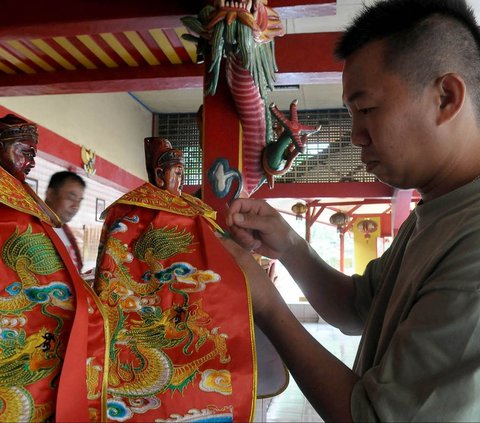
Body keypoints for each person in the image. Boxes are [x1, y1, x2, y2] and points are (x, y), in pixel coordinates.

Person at [220, 0, 480, 421]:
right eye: (351, 113)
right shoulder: (433, 213)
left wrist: (266, 303)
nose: (356, 134)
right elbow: (357, 307)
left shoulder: (473, 238)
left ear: (446, 97)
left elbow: (372, 417)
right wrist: (290, 246)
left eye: (367, 109)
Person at [94, 137, 260, 422]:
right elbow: (112, 273)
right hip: (144, 313)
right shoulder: (131, 214)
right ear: (159, 174)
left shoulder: (197, 213)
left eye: (183, 172)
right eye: (175, 172)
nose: (180, 179)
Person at [0, 113, 107, 422]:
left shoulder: (45, 221)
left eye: (34, 154)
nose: (31, 161)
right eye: (24, 151)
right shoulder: (19, 216)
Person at [45, 171, 86, 273]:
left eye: (79, 200)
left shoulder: (64, 230)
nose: (75, 206)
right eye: (71, 198)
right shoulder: (29, 226)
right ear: (50, 194)